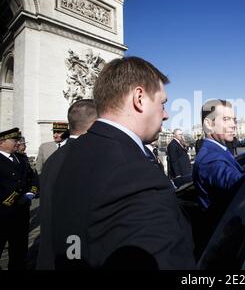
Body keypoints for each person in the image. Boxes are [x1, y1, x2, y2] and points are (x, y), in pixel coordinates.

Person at [48, 57, 195, 269]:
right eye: (162, 103)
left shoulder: (71, 152)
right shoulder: (134, 172)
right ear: (139, 98)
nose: (165, 114)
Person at [37, 99, 97, 270]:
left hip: (53, 251)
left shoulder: (54, 157)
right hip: (76, 253)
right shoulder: (90, 156)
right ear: (95, 123)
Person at [0, 128, 39, 270]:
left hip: (21, 214)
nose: (18, 143)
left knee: (19, 252)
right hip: (2, 214)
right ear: (2, 142)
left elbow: (33, 178)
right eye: (14, 140)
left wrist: (31, 193)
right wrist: (10, 200)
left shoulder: (21, 158)